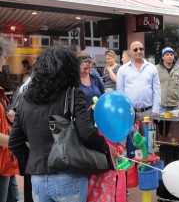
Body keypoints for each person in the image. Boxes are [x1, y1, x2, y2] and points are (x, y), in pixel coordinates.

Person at [8, 46, 110, 202]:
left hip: (37, 178)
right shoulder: (73, 94)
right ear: (69, 69)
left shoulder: (25, 99)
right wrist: (105, 148)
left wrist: (32, 162)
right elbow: (86, 133)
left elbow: (14, 142)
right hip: (69, 174)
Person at [117, 40, 161, 136]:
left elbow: (157, 91)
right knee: (131, 144)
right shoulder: (122, 70)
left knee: (149, 144)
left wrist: (155, 111)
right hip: (129, 113)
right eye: (135, 49)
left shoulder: (152, 68)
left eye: (141, 49)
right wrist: (123, 112)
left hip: (148, 113)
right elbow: (120, 93)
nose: (139, 51)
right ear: (130, 52)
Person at [0, 38, 19, 202]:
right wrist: (17, 141)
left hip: (6, 161)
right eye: (3, 56)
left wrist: (11, 117)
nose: (4, 61)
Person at [156, 47, 179, 112]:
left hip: (175, 106)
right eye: (167, 54)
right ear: (163, 57)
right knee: (160, 122)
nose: (169, 56)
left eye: (171, 54)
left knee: (175, 122)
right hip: (160, 105)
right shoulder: (156, 69)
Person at [77, 51, 105, 124]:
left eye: (89, 68)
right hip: (83, 123)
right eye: (85, 68)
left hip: (98, 121)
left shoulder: (94, 77)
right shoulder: (74, 81)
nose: (87, 71)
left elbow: (103, 94)